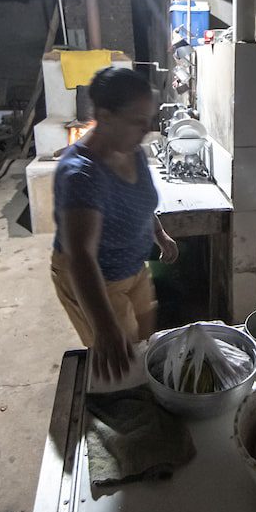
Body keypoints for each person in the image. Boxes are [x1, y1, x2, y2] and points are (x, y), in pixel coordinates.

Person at [51, 67, 179, 382]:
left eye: (148, 119)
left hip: (134, 268)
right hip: (97, 282)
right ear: (105, 116)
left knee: (146, 344)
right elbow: (81, 257)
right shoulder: (81, 175)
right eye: (138, 121)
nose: (146, 129)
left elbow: (141, 201)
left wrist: (160, 235)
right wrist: (104, 326)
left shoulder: (130, 151)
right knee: (123, 362)